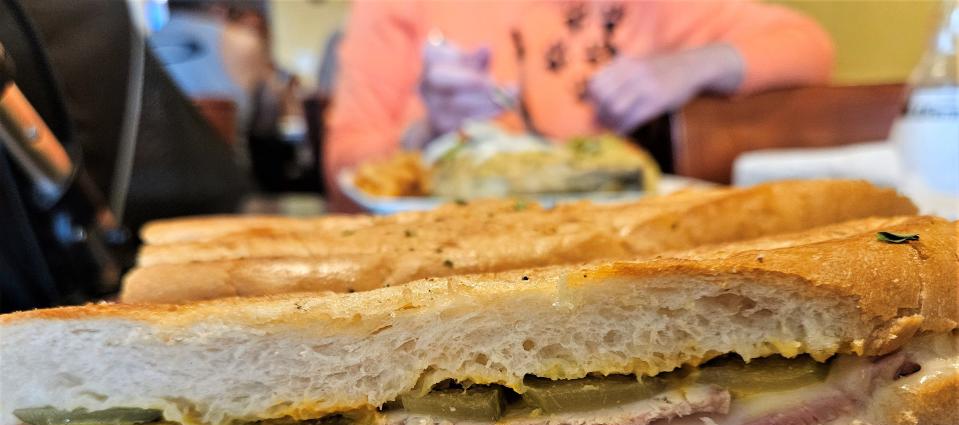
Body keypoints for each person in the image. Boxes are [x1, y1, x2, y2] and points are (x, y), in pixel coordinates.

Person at [325, 0, 835, 205]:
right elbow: (344, 164)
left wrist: (691, 66)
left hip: (606, 254)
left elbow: (809, 46)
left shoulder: (650, 8)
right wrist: (429, 134)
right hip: (441, 262)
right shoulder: (398, 8)